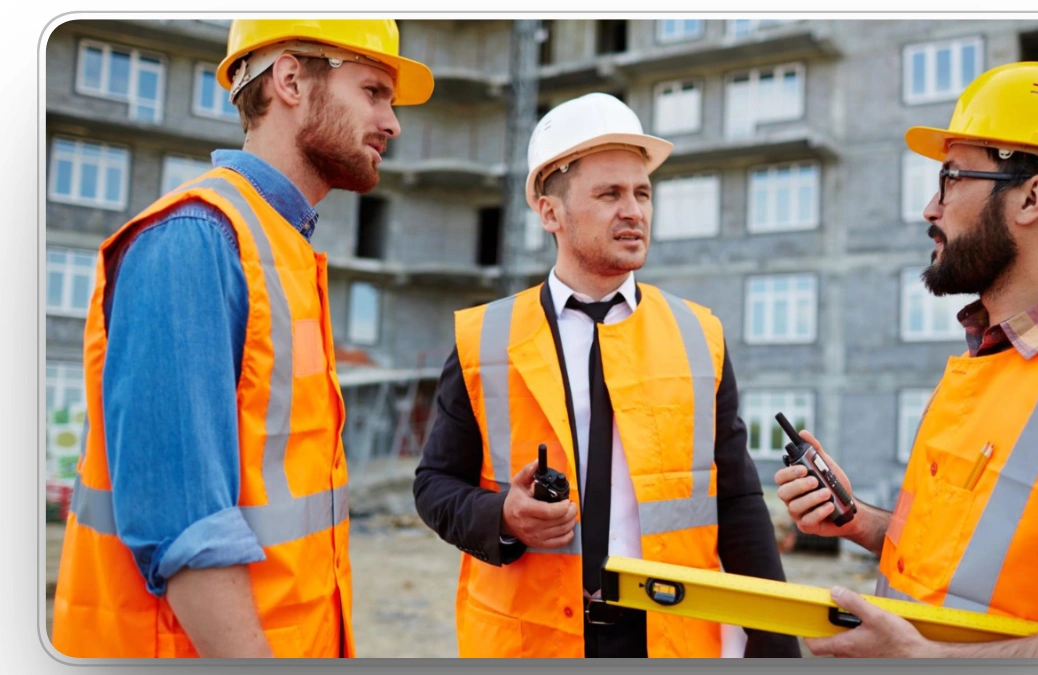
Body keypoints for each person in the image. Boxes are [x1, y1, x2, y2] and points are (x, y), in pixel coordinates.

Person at [51, 19, 433, 658]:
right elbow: (187, 531)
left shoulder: (277, 245)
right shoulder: (198, 237)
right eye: (373, 91)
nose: (392, 122)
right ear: (290, 79)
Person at [775, 61, 1038, 658]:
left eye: (951, 177)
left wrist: (931, 661)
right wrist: (859, 523)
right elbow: (970, 567)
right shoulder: (983, 361)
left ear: (1032, 197)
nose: (931, 207)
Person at [413, 93, 800, 659]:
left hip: (669, 637)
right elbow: (434, 485)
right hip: (532, 641)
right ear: (550, 212)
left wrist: (776, 644)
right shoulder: (485, 338)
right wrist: (502, 517)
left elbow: (738, 501)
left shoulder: (699, 335)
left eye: (642, 193)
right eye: (609, 194)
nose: (634, 211)